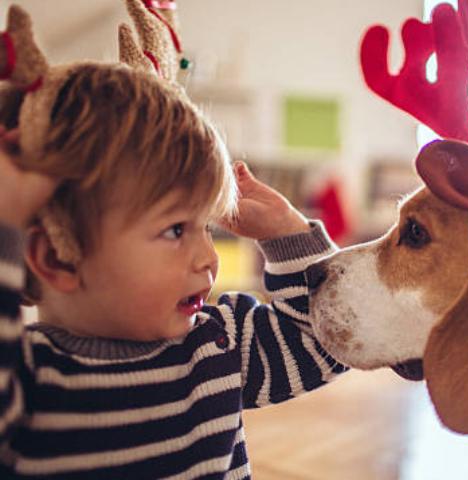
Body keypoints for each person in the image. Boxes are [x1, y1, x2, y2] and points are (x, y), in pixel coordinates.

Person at [0, 62, 346, 479]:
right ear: (59, 257)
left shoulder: (218, 344)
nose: (209, 258)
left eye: (207, 227)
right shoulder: (25, 382)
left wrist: (288, 234)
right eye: (175, 229)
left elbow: (328, 340)